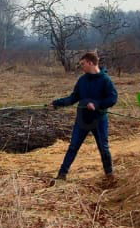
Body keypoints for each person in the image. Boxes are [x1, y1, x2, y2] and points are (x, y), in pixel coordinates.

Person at [50, 51, 118, 180]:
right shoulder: (82, 80)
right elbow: (73, 97)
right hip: (82, 120)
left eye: (83, 64)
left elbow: (113, 98)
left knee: (103, 148)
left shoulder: (105, 80)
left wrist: (97, 105)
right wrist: (57, 103)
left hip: (99, 120)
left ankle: (109, 175)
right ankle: (61, 175)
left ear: (90, 63)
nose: (82, 67)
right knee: (73, 146)